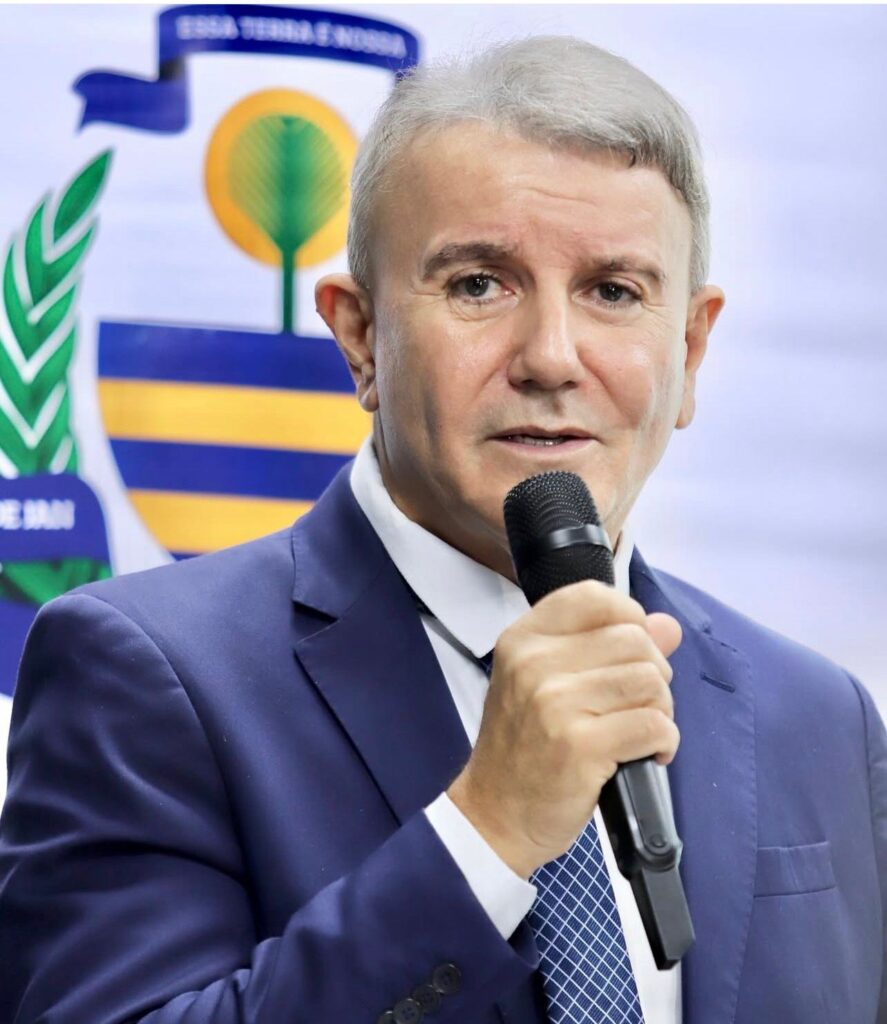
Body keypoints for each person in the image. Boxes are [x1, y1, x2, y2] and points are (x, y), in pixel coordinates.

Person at [0, 36, 884, 1024]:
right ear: (359, 337)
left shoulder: (819, 720)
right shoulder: (142, 674)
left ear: (689, 349)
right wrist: (486, 833)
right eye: (477, 284)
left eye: (613, 291)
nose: (550, 357)